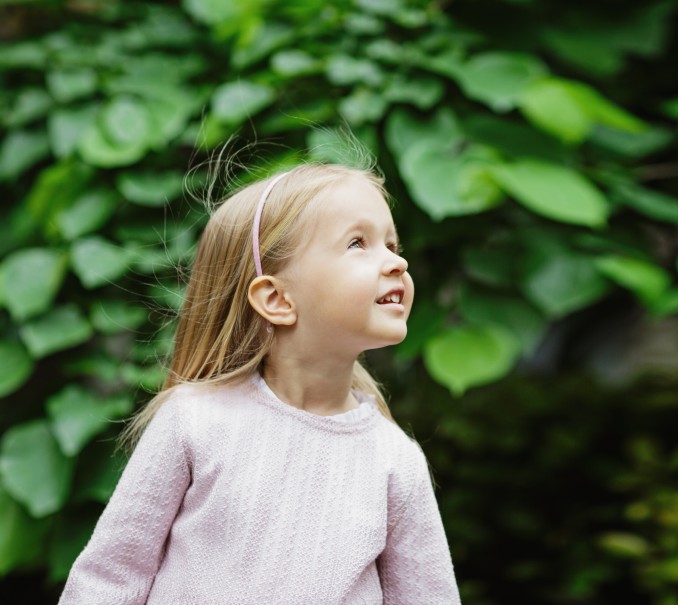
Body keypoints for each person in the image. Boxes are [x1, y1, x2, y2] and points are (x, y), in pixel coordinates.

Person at [58, 163, 461, 604]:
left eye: (392, 244)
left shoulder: (395, 460)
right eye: (358, 243)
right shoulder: (195, 421)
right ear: (277, 299)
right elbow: (109, 578)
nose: (397, 262)